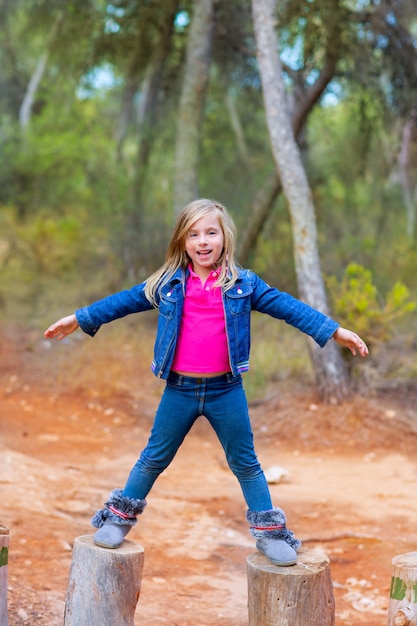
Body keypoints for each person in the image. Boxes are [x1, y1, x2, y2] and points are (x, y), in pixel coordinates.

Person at [44, 198, 369, 567]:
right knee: (153, 458)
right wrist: (78, 318)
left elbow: (289, 307)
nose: (203, 241)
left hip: (225, 390)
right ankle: (117, 520)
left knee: (245, 463)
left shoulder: (244, 284)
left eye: (210, 232)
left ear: (224, 237)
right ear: (183, 241)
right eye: (194, 234)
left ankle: (270, 535)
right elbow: (122, 302)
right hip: (179, 390)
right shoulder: (168, 285)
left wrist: (335, 331)